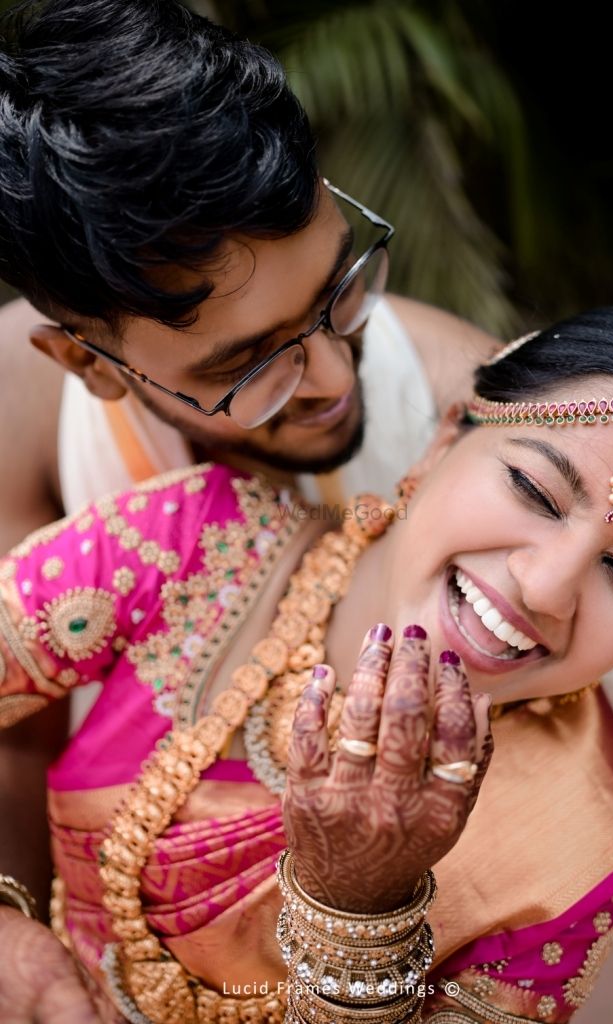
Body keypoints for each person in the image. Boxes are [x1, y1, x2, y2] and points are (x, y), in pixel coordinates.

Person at [0, 0, 495, 1005]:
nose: (328, 377)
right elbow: (12, 730)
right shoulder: (19, 412)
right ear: (85, 364)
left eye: (336, 293)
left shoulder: (465, 409)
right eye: (248, 365)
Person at [0, 305, 613, 1024]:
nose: (545, 588)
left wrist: (359, 911)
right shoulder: (188, 546)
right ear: (444, 438)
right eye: (534, 491)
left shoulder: (582, 843)